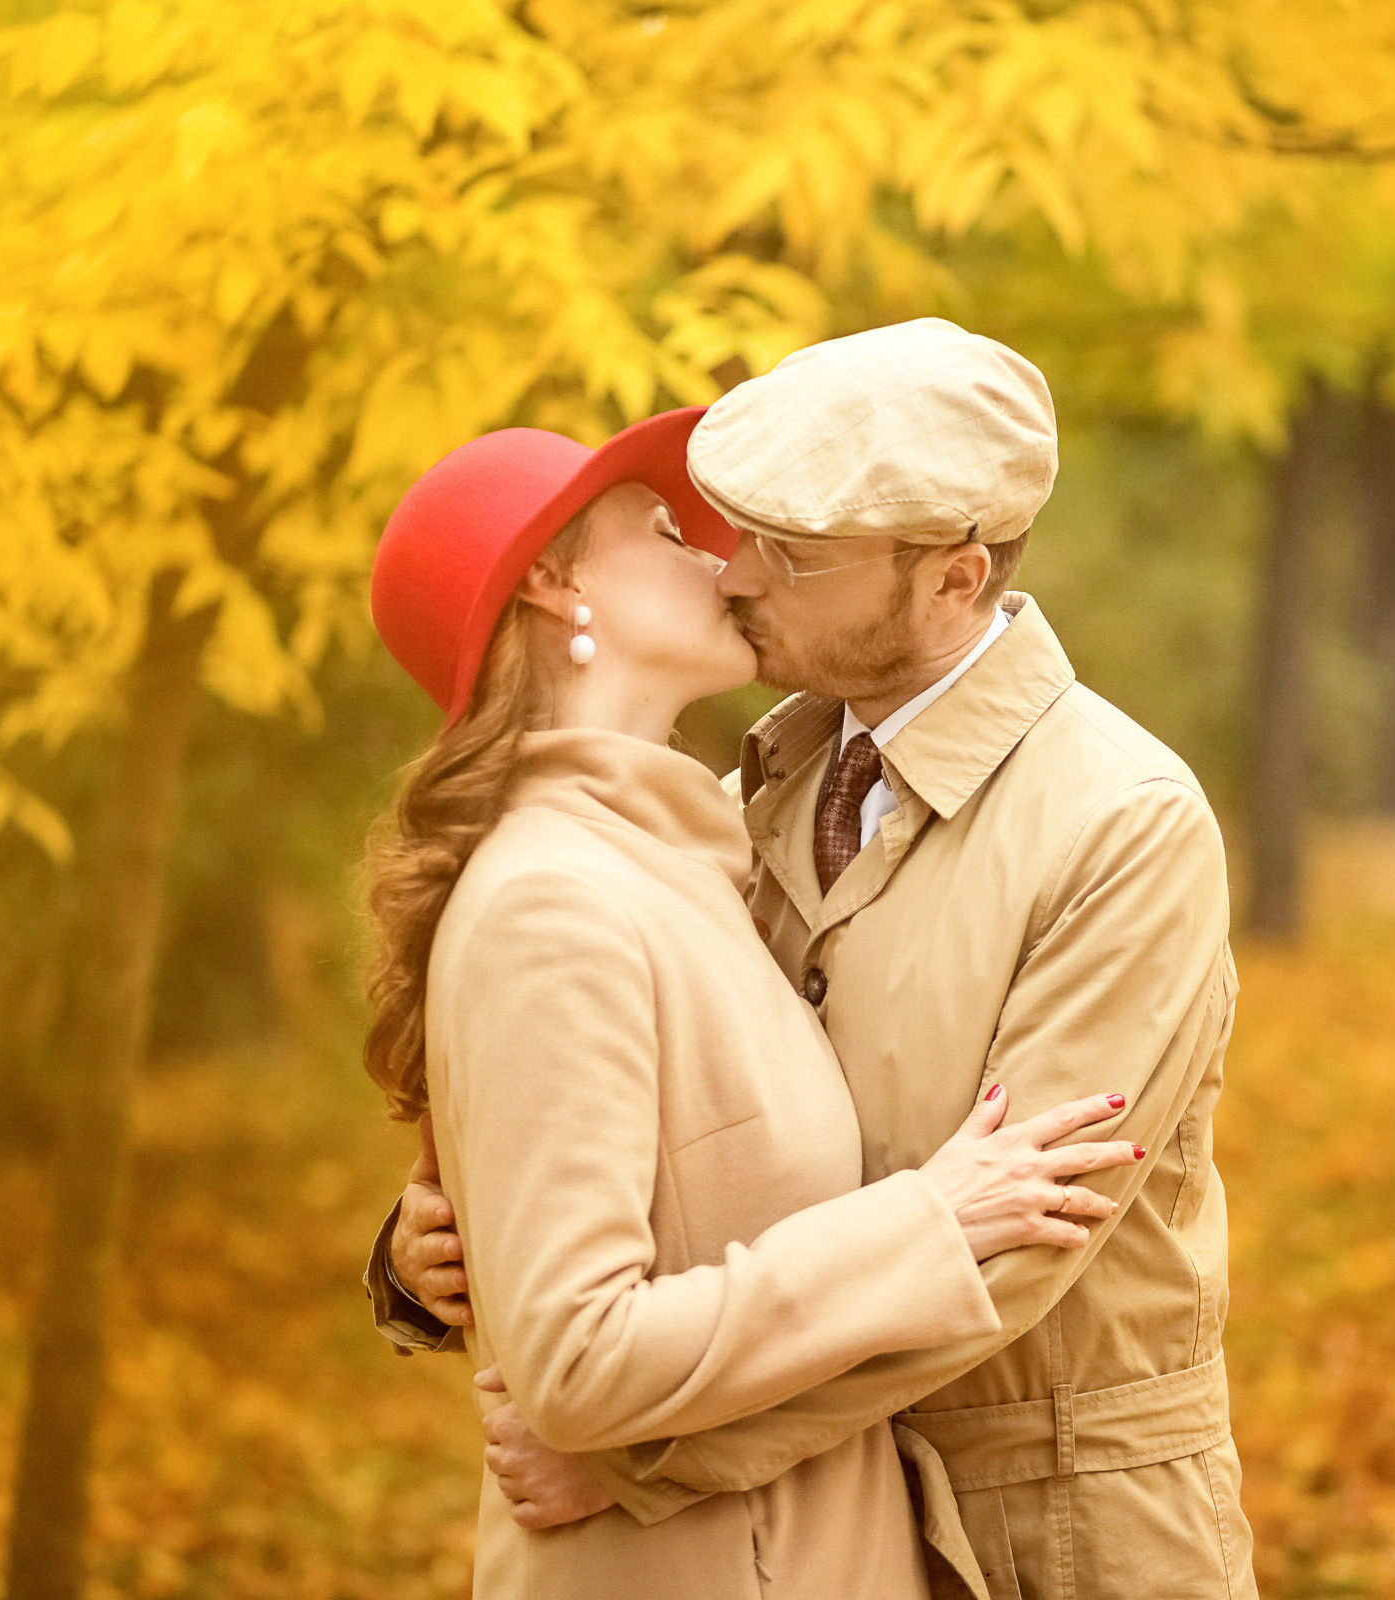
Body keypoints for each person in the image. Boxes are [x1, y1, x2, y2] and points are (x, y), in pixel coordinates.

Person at [378, 321, 1258, 1600]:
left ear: (954, 580)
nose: (735, 574)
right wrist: (432, 1250)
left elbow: (1017, 1243)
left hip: (1058, 1533)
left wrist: (642, 1462)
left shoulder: (1121, 824)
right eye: (733, 534)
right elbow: (639, 1125)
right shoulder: (756, 795)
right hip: (813, 1525)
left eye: (789, 556)